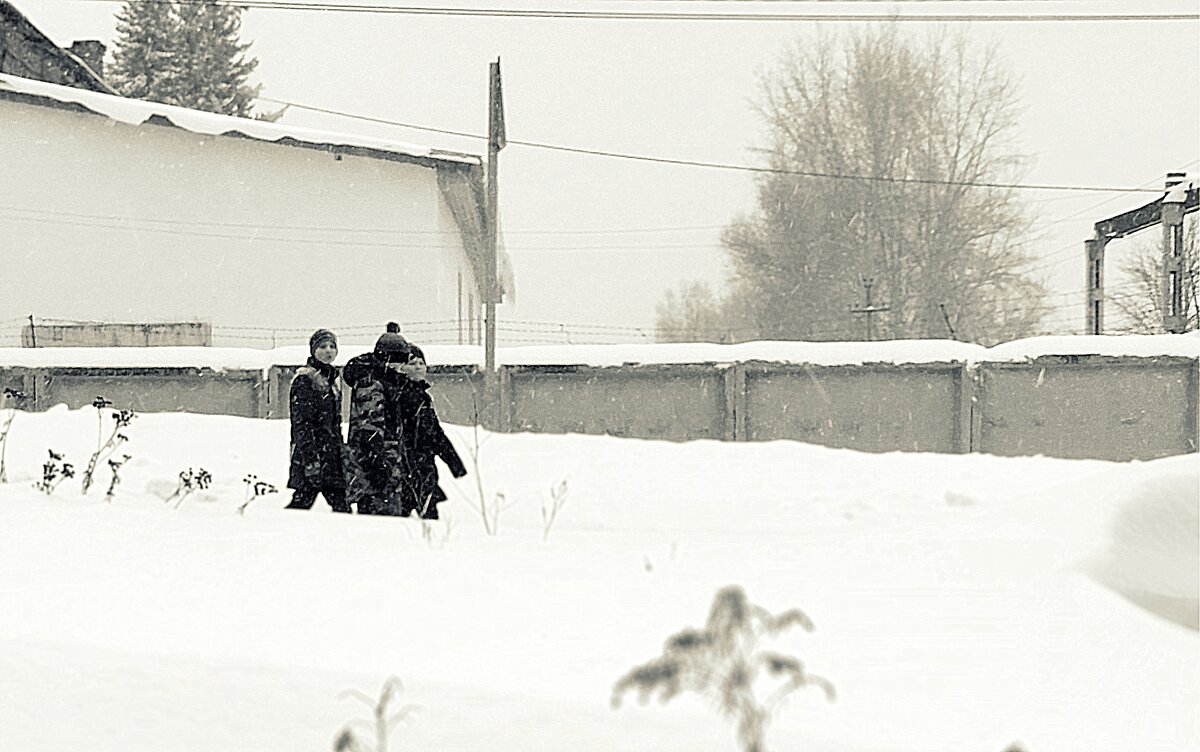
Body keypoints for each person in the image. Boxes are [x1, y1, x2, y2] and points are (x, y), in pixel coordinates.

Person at [342, 322, 412, 515]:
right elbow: (368, 432)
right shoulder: (372, 384)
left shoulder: (386, 381)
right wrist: (380, 470)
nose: (402, 367)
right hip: (373, 471)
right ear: (387, 359)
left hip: (382, 467)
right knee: (379, 526)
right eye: (399, 361)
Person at [392, 344, 468, 520]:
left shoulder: (423, 396)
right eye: (412, 363)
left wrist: (453, 462)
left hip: (422, 468)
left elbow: (435, 434)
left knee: (423, 519)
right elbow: (428, 435)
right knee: (413, 521)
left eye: (421, 362)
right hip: (409, 469)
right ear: (401, 368)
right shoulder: (402, 395)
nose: (418, 367)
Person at [285, 329, 350, 513]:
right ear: (313, 350)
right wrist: (310, 458)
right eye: (322, 346)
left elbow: (335, 423)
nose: (328, 351)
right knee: (303, 502)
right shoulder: (305, 380)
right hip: (312, 454)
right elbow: (302, 423)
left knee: (338, 505)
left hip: (331, 455)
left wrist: (340, 449)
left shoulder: (332, 380)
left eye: (332, 346)